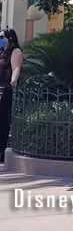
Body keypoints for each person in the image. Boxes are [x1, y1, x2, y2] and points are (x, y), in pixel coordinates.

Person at [0, 28, 23, 161]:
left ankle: (1, 150)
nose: (0, 40)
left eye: (2, 37)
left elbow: (16, 68)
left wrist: (13, 81)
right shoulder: (2, 52)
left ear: (10, 38)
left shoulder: (15, 51)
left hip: (5, 89)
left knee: (2, 120)